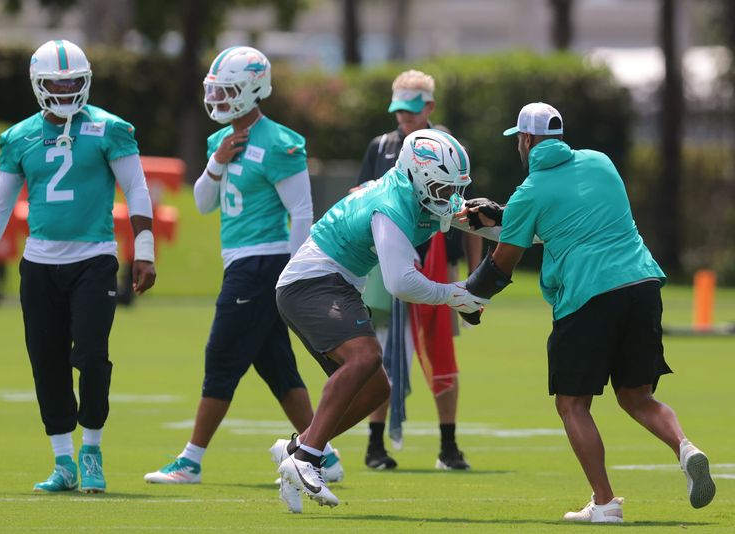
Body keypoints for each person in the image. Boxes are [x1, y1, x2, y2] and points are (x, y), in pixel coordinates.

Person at [460, 102, 716, 523]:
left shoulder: (531, 190)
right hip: (642, 284)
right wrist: (504, 216)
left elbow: (504, 261)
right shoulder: (600, 162)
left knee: (572, 404)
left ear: (525, 140)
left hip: (589, 295)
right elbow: (571, 216)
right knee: (638, 396)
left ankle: (604, 503)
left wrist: (470, 299)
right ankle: (686, 448)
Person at [143, 46, 343, 506]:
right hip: (241, 262)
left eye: (229, 90)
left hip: (265, 262)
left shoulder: (280, 142)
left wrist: (299, 270)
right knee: (276, 365)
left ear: (254, 89)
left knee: (222, 358)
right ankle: (323, 453)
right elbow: (201, 203)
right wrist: (216, 163)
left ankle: (191, 460)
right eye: (217, 90)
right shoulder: (220, 142)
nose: (220, 98)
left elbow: (300, 211)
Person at [0, 39, 157, 493]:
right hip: (40, 263)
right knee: (46, 361)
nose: (67, 89)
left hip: (94, 257)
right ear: (39, 84)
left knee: (89, 354)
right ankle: (63, 460)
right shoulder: (19, 137)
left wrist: (143, 250)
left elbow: (138, 189)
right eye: (57, 82)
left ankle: (92, 448)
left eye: (74, 81)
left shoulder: (111, 128)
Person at [272, 129, 487, 510]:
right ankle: (307, 456)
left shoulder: (415, 191)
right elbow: (399, 281)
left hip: (330, 283)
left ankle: (297, 448)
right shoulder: (391, 203)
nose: (449, 197)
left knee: (376, 390)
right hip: (312, 282)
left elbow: (471, 220)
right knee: (365, 357)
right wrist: (455, 295)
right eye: (441, 186)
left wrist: (539, 231)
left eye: (454, 187)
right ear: (417, 176)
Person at [355, 69, 482, 470]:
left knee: (441, 353)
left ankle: (448, 445)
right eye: (398, 109)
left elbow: (469, 213)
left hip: (439, 260)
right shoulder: (381, 147)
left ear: (429, 106)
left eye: (411, 109)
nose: (403, 117)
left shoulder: (448, 147)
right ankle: (376, 445)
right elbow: (361, 199)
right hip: (387, 264)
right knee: (385, 352)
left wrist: (476, 274)